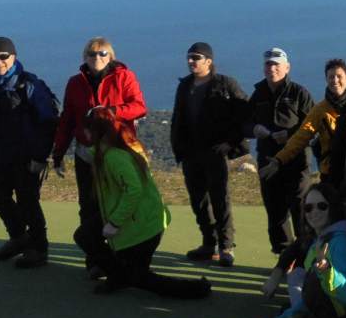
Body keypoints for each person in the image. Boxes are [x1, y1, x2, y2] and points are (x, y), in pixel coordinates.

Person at [87, 108, 211, 298]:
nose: (84, 133)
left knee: (138, 277)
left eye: (87, 129)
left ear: (97, 132)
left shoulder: (114, 157)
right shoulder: (111, 151)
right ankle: (118, 275)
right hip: (139, 220)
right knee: (86, 236)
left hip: (142, 226)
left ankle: (195, 289)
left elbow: (134, 190)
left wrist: (114, 222)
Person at [52, 36, 147, 278]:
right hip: (86, 154)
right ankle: (96, 260)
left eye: (102, 53)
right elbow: (67, 119)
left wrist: (112, 112)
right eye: (92, 54)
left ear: (111, 56)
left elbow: (139, 106)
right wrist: (58, 153)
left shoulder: (124, 77)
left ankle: (124, 254)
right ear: (85, 57)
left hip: (117, 152)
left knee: (117, 203)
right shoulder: (75, 83)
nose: (97, 57)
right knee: (88, 206)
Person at [0, 36, 60, 268]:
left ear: (14, 57)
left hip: (28, 157)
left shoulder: (30, 85)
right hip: (3, 154)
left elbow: (49, 124)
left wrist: (40, 157)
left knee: (28, 202)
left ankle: (39, 249)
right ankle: (19, 237)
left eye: (3, 56)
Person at [258, 181, 346, 318]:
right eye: (308, 208)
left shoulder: (341, 242)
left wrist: (327, 271)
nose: (314, 212)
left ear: (333, 208)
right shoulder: (319, 239)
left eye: (322, 206)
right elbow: (308, 299)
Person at [169, 42, 248, 266]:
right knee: (199, 201)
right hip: (190, 152)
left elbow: (245, 113)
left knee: (220, 200)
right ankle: (208, 244)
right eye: (189, 57)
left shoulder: (225, 84)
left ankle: (226, 247)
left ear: (209, 61)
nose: (190, 61)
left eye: (196, 57)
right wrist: (179, 148)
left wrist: (231, 143)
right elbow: (178, 118)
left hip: (215, 152)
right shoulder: (185, 86)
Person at [248, 47, 316, 255]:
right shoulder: (258, 94)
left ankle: (306, 254)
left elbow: (312, 125)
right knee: (275, 210)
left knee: (300, 208)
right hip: (268, 159)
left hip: (297, 160)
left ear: (287, 67)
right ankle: (284, 255)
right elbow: (245, 122)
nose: (272, 68)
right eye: (268, 64)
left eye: (276, 64)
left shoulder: (299, 93)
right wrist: (254, 129)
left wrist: (290, 134)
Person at [264, 58, 346, 186]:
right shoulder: (320, 110)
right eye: (331, 77)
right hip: (331, 172)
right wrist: (279, 159)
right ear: (326, 79)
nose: (335, 80)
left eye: (339, 76)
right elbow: (301, 137)